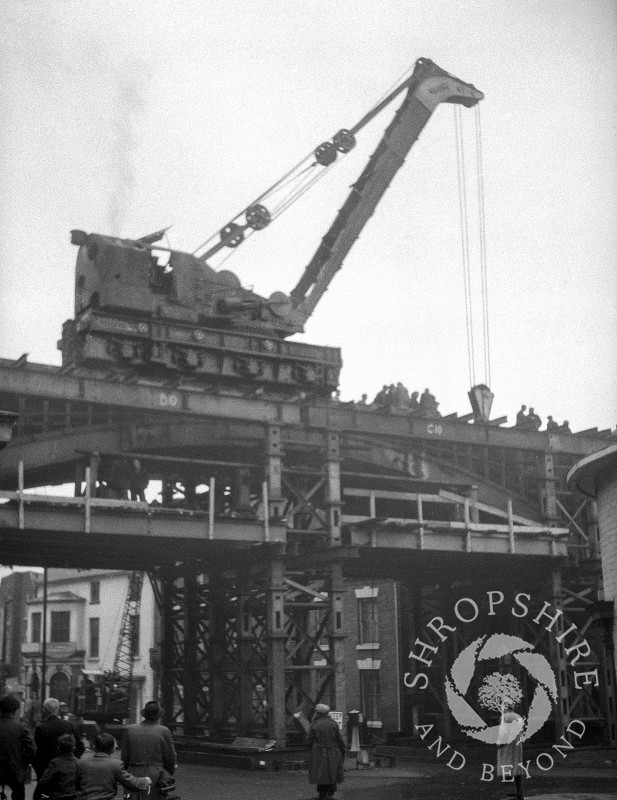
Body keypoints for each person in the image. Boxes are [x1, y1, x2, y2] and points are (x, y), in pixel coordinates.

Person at [76, 733, 151, 800]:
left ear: (94, 747)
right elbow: (131, 783)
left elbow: (77, 785)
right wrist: (145, 781)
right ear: (113, 749)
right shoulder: (116, 764)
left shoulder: (81, 763)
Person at [120, 701, 176, 789]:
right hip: (156, 773)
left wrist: (125, 773)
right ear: (158, 715)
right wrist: (168, 773)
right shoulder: (164, 731)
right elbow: (170, 756)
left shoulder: (130, 730)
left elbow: (124, 756)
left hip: (133, 772)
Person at [33, 698, 85, 780]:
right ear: (58, 709)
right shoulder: (71, 726)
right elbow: (80, 747)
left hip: (47, 771)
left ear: (44, 710)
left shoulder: (41, 728)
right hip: (69, 771)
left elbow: (38, 751)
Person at [306, 704, 346, 800]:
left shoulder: (314, 725)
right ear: (327, 713)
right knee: (332, 772)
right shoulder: (333, 724)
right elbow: (339, 739)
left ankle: (322, 794)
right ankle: (331, 793)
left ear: (318, 713)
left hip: (319, 753)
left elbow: (309, 740)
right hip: (333, 751)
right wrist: (343, 750)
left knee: (321, 774)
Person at [0, 695, 35, 800]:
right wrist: (21, 763)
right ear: (15, 711)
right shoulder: (21, 727)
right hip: (15, 770)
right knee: (19, 794)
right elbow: (31, 750)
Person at [33, 733, 79, 800]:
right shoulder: (79, 763)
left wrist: (36, 796)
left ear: (59, 748)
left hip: (59, 796)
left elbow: (43, 782)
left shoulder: (55, 763)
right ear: (74, 748)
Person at [496, 710, 525, 800]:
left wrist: (498, 744)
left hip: (507, 749)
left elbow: (503, 734)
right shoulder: (519, 717)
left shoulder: (505, 717)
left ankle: (511, 797)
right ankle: (520, 796)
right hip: (517, 748)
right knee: (517, 774)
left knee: (507, 774)